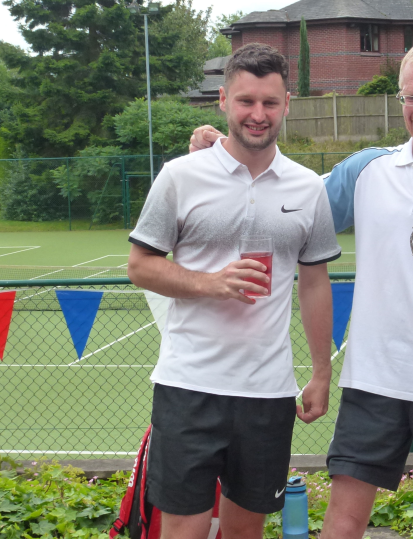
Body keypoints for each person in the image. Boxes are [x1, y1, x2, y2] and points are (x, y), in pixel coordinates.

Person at [189, 41, 413, 539]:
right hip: (372, 380)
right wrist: (223, 156)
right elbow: (288, 201)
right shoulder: (366, 171)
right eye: (409, 98)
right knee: (343, 521)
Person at [128, 43, 341, 539]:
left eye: (269, 103)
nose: (258, 114)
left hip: (267, 392)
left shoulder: (307, 188)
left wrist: (322, 374)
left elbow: (313, 282)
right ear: (223, 100)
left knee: (246, 530)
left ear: (287, 103)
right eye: (246, 101)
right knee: (184, 527)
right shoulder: (180, 175)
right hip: (189, 385)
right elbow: (140, 266)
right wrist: (209, 283)